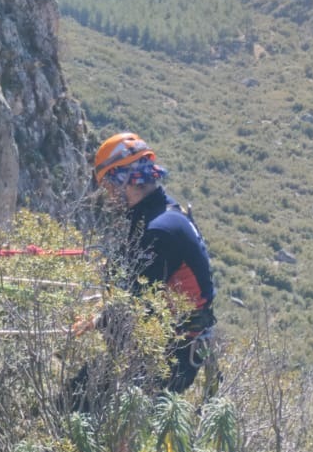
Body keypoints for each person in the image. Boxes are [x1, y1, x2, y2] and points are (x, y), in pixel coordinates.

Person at [72, 131, 217, 395]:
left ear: (123, 179)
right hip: (171, 345)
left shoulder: (159, 230)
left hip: (170, 355)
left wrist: (97, 320)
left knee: (79, 401)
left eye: (108, 186)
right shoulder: (161, 212)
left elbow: (134, 302)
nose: (108, 196)